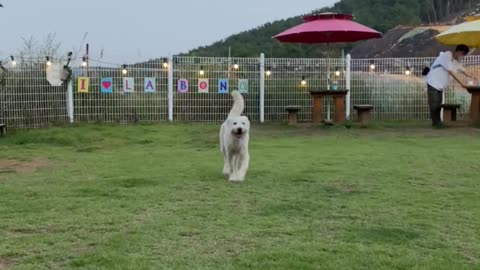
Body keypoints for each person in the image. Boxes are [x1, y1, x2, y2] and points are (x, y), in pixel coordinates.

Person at [426, 44, 474, 127]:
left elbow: (463, 70)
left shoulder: (456, 62)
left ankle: (437, 122)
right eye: (462, 54)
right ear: (458, 51)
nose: (462, 56)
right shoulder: (446, 55)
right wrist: (461, 83)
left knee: (438, 103)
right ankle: (436, 123)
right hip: (433, 82)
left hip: (440, 86)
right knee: (434, 104)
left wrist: (473, 77)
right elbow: (451, 72)